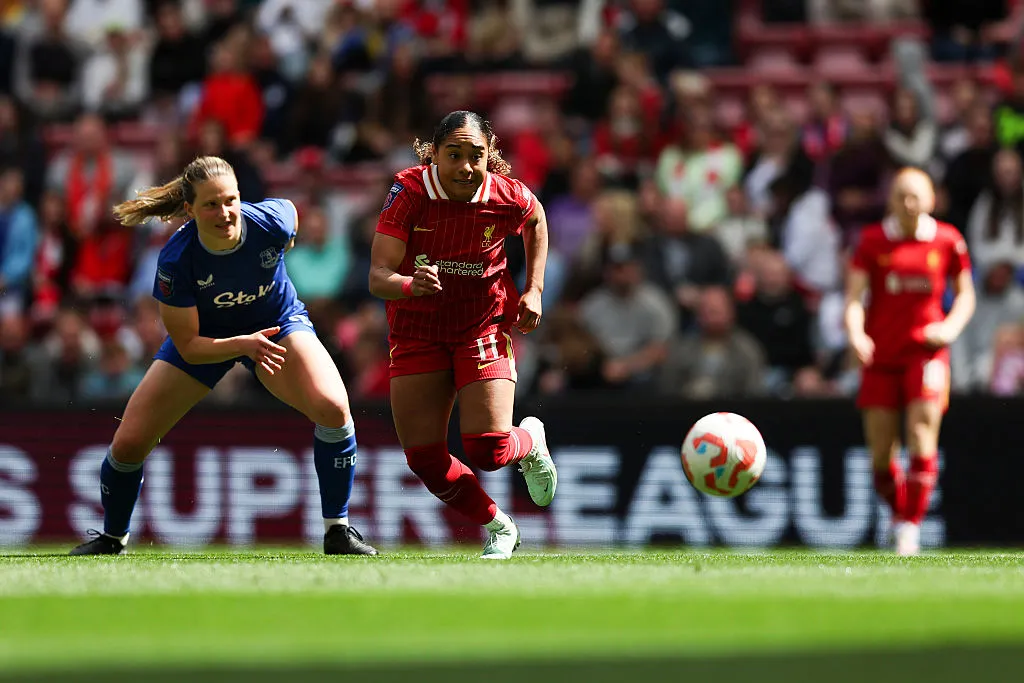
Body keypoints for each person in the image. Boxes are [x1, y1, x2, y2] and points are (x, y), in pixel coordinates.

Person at [70, 155, 377, 556]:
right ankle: (113, 538)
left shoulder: (272, 222)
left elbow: (291, 218)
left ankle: (338, 531)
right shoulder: (176, 260)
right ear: (189, 210)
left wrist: (282, 254)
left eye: (230, 200)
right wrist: (242, 345)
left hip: (277, 325)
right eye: (211, 205)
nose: (224, 212)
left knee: (334, 408)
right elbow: (188, 346)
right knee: (128, 444)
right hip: (206, 339)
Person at [369, 111, 555, 560]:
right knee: (425, 460)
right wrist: (410, 285)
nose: (466, 167)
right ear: (434, 155)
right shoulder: (410, 193)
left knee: (489, 450)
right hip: (417, 331)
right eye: (454, 155)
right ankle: (499, 526)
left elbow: (535, 218)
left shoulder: (505, 193)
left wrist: (534, 288)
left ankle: (530, 441)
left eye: (477, 156)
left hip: (481, 323)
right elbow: (377, 277)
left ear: (489, 156)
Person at [845, 168, 975, 556]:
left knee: (921, 433)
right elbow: (854, 298)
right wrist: (856, 334)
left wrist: (950, 327)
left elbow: (966, 294)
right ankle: (899, 514)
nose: (908, 203)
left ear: (932, 199)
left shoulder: (948, 240)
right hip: (881, 354)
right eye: (901, 195)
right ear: (890, 200)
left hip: (926, 352)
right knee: (880, 454)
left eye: (915, 195)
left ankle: (910, 528)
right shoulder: (872, 241)